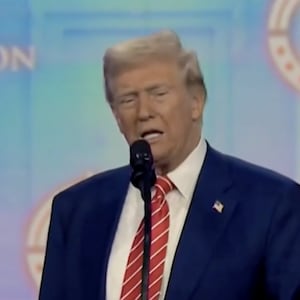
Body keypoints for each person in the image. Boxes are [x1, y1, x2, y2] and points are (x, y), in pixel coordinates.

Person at [39, 30, 300, 300]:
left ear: (196, 103)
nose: (143, 112)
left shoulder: (271, 205)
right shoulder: (77, 211)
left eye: (158, 93)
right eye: (128, 99)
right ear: (116, 116)